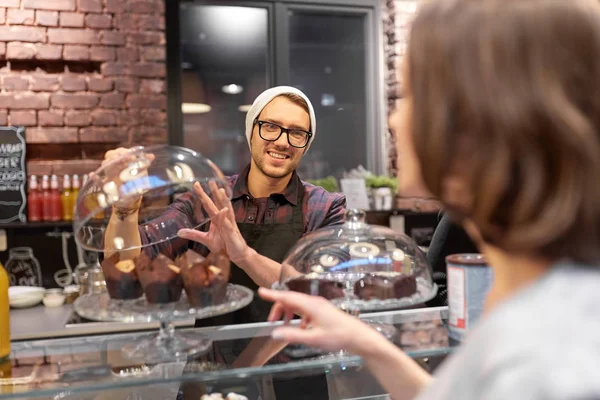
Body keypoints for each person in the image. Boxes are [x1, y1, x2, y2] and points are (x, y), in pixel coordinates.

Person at [201, 0, 600, 398]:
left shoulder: (553, 363)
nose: (394, 119)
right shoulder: (543, 307)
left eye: (411, 97)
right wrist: (365, 341)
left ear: (481, 122)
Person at [102, 86, 346, 323]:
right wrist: (125, 209)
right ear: (251, 131)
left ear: (307, 143)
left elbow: (329, 293)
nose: (283, 142)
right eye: (270, 127)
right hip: (213, 359)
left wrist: (244, 256)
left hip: (295, 359)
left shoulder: (324, 208)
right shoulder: (207, 199)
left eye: (297, 133)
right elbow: (127, 263)